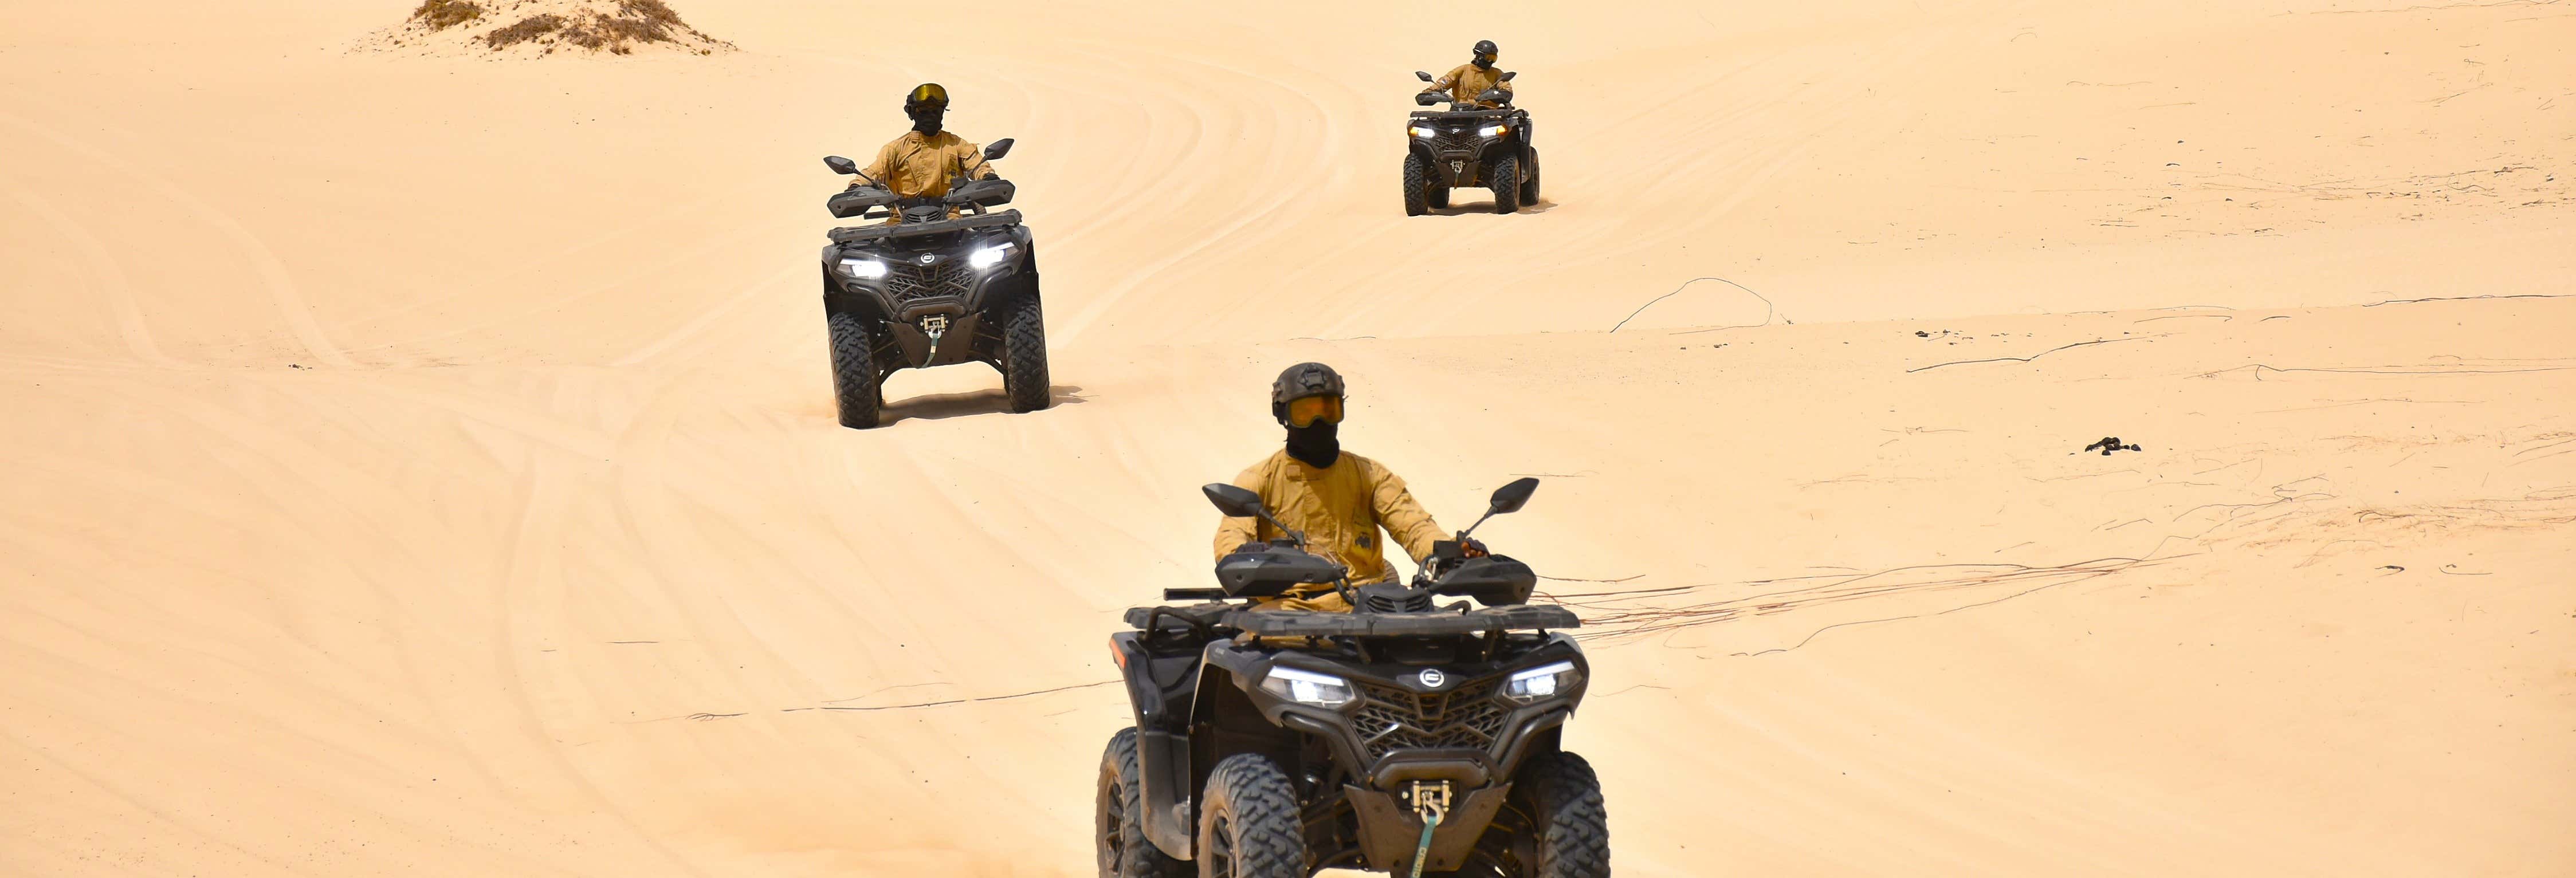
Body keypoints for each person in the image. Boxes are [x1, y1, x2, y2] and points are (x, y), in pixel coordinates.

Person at [1211, 363, 1484, 612]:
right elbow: (1231, 537)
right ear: (1283, 416)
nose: (1319, 422)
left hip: (1371, 604)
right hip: (1292, 608)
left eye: (1328, 411)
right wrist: (1243, 554)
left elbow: (1413, 525)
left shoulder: (1368, 474)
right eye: (1305, 413)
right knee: (1259, 654)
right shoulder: (1259, 479)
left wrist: (1452, 553)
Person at [848, 83, 999, 219]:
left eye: (935, 111)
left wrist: (988, 177)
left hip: (950, 220)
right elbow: (873, 172)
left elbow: (977, 164)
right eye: (923, 111)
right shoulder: (895, 149)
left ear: (942, 113)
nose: (930, 116)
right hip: (901, 221)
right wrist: (857, 186)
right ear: (912, 114)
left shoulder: (956, 144)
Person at [1423, 40, 1513, 108]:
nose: (1491, 61)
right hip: (1461, 113)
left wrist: (1500, 94)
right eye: (1489, 57)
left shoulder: (1497, 73)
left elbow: (1506, 89)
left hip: (1488, 115)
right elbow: (1444, 82)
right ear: (1479, 56)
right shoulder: (1462, 71)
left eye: (1494, 58)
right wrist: (1429, 92)